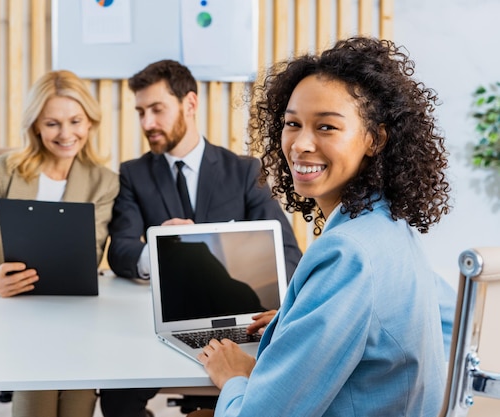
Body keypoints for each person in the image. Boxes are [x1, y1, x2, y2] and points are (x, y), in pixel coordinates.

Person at [190, 36, 456, 416]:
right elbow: (446, 322)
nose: (300, 144)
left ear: (375, 138)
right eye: (292, 124)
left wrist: (234, 378)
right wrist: (296, 318)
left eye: (327, 127)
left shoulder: (348, 253)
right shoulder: (391, 225)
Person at [101, 60, 303, 417]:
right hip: (166, 326)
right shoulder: (134, 174)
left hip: (239, 317)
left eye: (157, 110)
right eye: (141, 112)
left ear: (190, 104)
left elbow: (288, 254)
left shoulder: (243, 171)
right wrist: (161, 248)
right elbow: (120, 251)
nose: (147, 123)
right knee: (115, 396)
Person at [0, 70, 119, 417]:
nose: (66, 134)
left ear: (90, 122)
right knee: (35, 405)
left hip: (75, 318)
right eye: (52, 123)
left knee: (76, 406)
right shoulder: (1, 171)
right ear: (35, 126)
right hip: (16, 316)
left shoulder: (104, 182)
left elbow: (91, 255)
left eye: (75, 121)